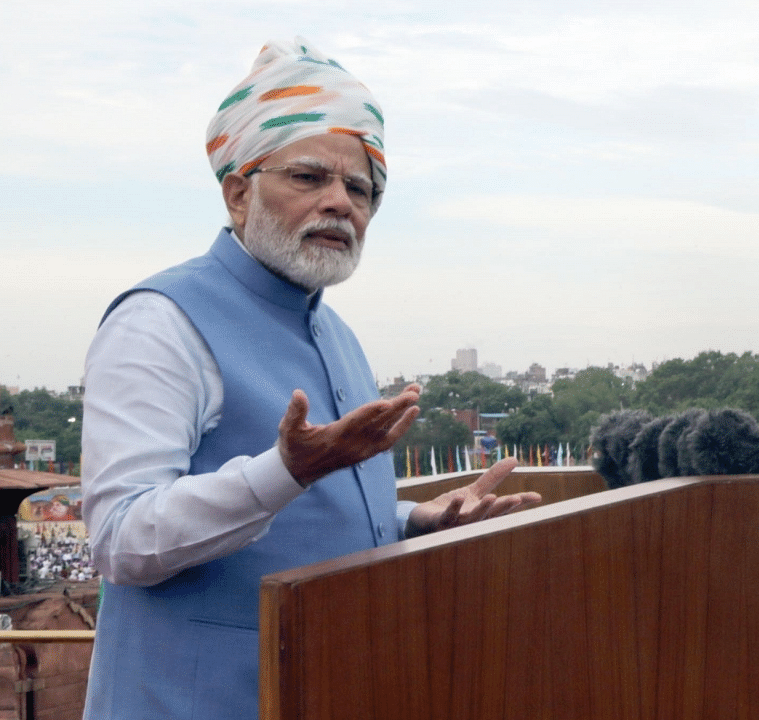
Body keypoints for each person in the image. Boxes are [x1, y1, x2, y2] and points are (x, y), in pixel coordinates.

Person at [79, 38, 540, 719]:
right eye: (309, 178)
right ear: (239, 193)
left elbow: (318, 521)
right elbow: (121, 539)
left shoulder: (338, 337)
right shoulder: (159, 321)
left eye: (360, 188)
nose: (341, 203)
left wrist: (419, 519)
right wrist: (283, 471)